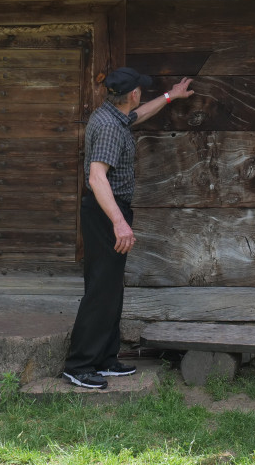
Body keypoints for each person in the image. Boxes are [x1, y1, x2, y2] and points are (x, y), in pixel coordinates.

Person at [62, 67, 194, 389]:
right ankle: (79, 365)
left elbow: (137, 115)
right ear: (133, 93)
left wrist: (170, 96)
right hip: (106, 213)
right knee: (100, 289)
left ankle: (104, 359)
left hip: (109, 212)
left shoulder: (113, 115)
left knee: (110, 289)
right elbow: (97, 177)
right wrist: (119, 223)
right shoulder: (109, 127)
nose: (142, 96)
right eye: (142, 91)